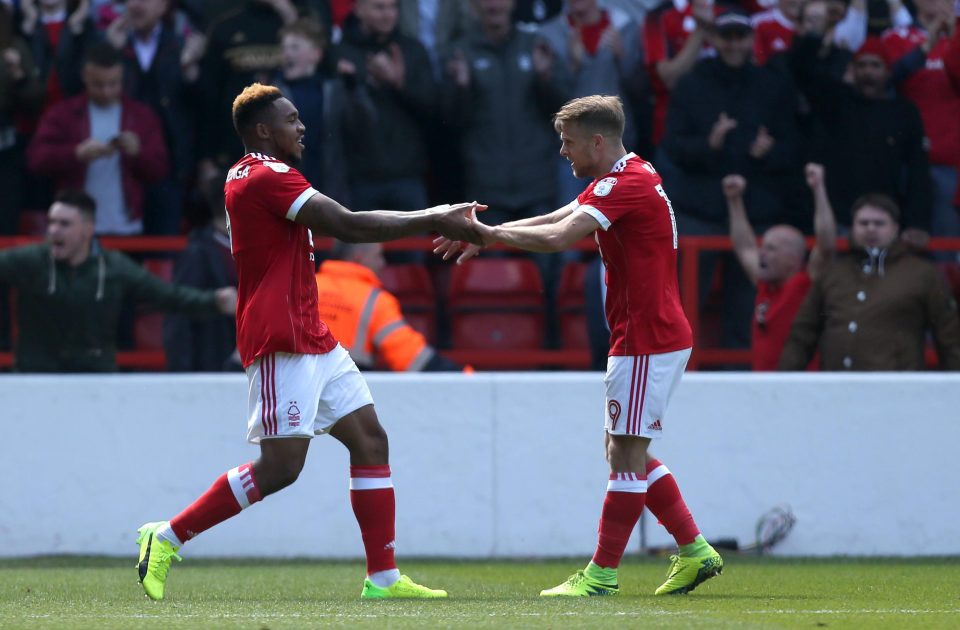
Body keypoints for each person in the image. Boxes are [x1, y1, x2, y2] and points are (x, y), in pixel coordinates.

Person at [134, 82, 482, 602]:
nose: (302, 127)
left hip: (313, 334)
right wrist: (434, 216)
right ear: (262, 131)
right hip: (280, 338)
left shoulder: (250, 175)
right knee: (281, 468)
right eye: (292, 119)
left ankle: (383, 578)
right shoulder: (265, 176)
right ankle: (165, 537)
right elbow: (348, 225)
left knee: (370, 439)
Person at [434, 95, 723, 597]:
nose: (563, 153)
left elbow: (559, 237)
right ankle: (694, 549)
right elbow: (562, 213)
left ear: (597, 141)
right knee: (621, 450)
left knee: (626, 454)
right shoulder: (627, 174)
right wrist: (491, 235)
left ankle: (603, 575)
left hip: (646, 337)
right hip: (648, 334)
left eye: (568, 143)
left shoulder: (625, 183)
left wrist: (489, 232)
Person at [0, 190, 236, 372]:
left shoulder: (114, 268)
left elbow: (168, 296)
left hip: (94, 376)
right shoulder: (30, 261)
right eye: (51, 222)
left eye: (64, 224)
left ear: (88, 228)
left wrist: (214, 301)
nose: (53, 230)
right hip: (37, 377)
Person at [779, 194, 960, 370]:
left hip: (896, 391)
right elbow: (803, 334)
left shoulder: (923, 274)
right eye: (863, 223)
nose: (870, 229)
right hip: (836, 389)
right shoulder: (833, 273)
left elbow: (950, 337)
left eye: (879, 223)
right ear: (853, 228)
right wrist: (783, 383)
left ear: (896, 229)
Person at [26, 42, 169, 235]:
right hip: (75, 230)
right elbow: (36, 159)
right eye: (98, 84)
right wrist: (75, 153)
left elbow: (160, 169)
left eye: (113, 84)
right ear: (85, 77)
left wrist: (138, 153)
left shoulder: (142, 116)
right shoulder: (63, 114)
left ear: (122, 78)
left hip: (127, 227)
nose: (106, 91)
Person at [724, 163, 837, 371]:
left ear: (793, 259)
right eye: (763, 247)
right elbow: (744, 246)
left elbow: (827, 245)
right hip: (764, 389)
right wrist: (734, 199)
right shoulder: (765, 285)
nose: (762, 253)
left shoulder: (804, 284)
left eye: (772, 249)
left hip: (800, 388)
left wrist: (818, 188)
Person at [315, 241, 465, 371]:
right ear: (359, 257)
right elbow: (410, 357)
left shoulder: (307, 286)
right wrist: (465, 377)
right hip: (344, 393)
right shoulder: (374, 300)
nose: (382, 263)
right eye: (378, 255)